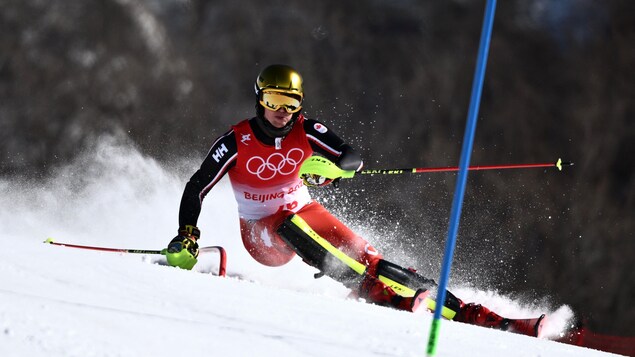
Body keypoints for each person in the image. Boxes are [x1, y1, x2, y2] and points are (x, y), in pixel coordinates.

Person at [165, 64, 544, 337]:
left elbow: (351, 157)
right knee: (287, 224)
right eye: (273, 100)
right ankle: (375, 294)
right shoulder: (237, 141)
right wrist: (187, 234)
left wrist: (326, 167)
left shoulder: (306, 129)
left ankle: (480, 316)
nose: (281, 112)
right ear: (259, 99)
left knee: (367, 254)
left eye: (290, 103)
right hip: (262, 231)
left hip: (304, 211)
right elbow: (196, 185)